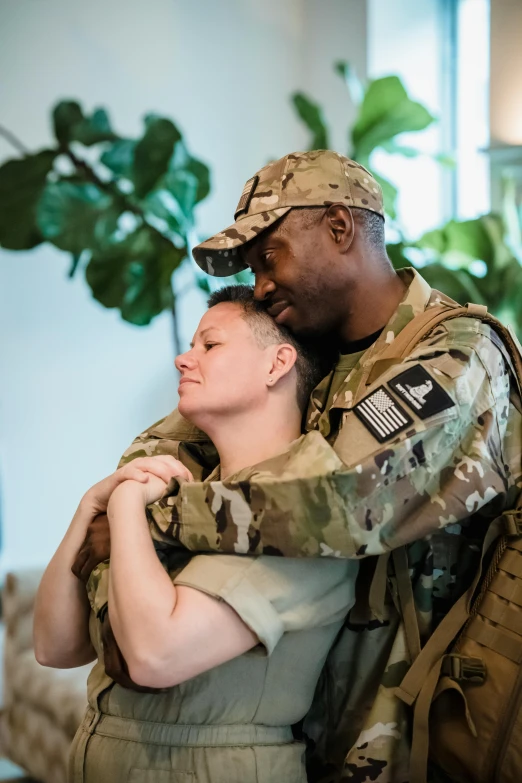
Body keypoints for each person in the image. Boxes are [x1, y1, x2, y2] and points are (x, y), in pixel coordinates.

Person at [73, 149, 522, 783]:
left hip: (414, 730)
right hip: (294, 733)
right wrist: (124, 536)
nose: (258, 286)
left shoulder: (457, 352)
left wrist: (155, 520)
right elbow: (156, 451)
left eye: (270, 258)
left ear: (339, 227)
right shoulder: (302, 351)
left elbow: (344, 499)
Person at [34, 285, 359, 783]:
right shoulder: (191, 501)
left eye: (211, 345)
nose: (184, 360)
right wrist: (88, 507)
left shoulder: (301, 511)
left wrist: (123, 505)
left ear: (277, 364)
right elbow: (56, 647)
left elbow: (153, 655)